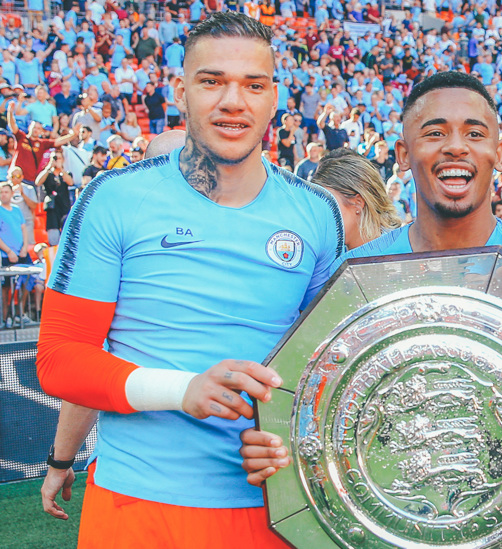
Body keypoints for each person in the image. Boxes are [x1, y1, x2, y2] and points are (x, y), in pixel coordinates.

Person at [36, 14, 344, 549]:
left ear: (274, 98)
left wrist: (292, 442)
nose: (233, 100)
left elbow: (329, 369)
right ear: (181, 91)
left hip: (273, 508)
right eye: (212, 81)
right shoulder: (114, 199)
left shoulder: (317, 214)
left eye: (253, 84)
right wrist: (184, 390)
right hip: (137, 506)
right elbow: (60, 359)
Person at [239, 71, 502, 485]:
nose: (456, 147)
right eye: (434, 133)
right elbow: (313, 415)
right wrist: (273, 445)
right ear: (404, 154)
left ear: (500, 153)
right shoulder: (351, 277)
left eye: (475, 133)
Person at [309, 148, 401, 249]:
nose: (319, 216)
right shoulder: (324, 254)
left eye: (327, 205)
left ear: (358, 203)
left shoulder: (402, 251)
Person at [0, 182, 34, 326]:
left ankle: (20, 312)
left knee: (29, 277)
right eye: (1, 192)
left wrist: (25, 247)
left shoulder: (16, 210)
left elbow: (23, 229)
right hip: (6, 255)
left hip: (21, 253)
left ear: (11, 193)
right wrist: (8, 251)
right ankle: (4, 317)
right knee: (5, 287)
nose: (3, 194)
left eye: (6, 192)